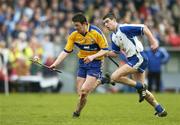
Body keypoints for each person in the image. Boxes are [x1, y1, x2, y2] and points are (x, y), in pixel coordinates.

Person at [102, 13, 167, 117]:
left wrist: (153, 41)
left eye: (107, 21)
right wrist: (103, 53)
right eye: (104, 23)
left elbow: (144, 27)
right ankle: (160, 109)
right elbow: (115, 53)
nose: (106, 24)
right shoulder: (113, 36)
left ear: (114, 20)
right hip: (133, 59)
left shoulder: (124, 28)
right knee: (143, 92)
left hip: (138, 57)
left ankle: (140, 86)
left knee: (114, 77)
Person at [49, 13, 109, 118]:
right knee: (81, 94)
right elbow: (66, 51)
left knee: (84, 90)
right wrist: (55, 63)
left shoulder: (96, 32)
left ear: (85, 24)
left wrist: (93, 56)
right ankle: (101, 81)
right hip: (82, 63)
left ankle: (76, 112)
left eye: (77, 25)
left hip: (95, 63)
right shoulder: (73, 35)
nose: (75, 28)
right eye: (74, 25)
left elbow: (105, 50)